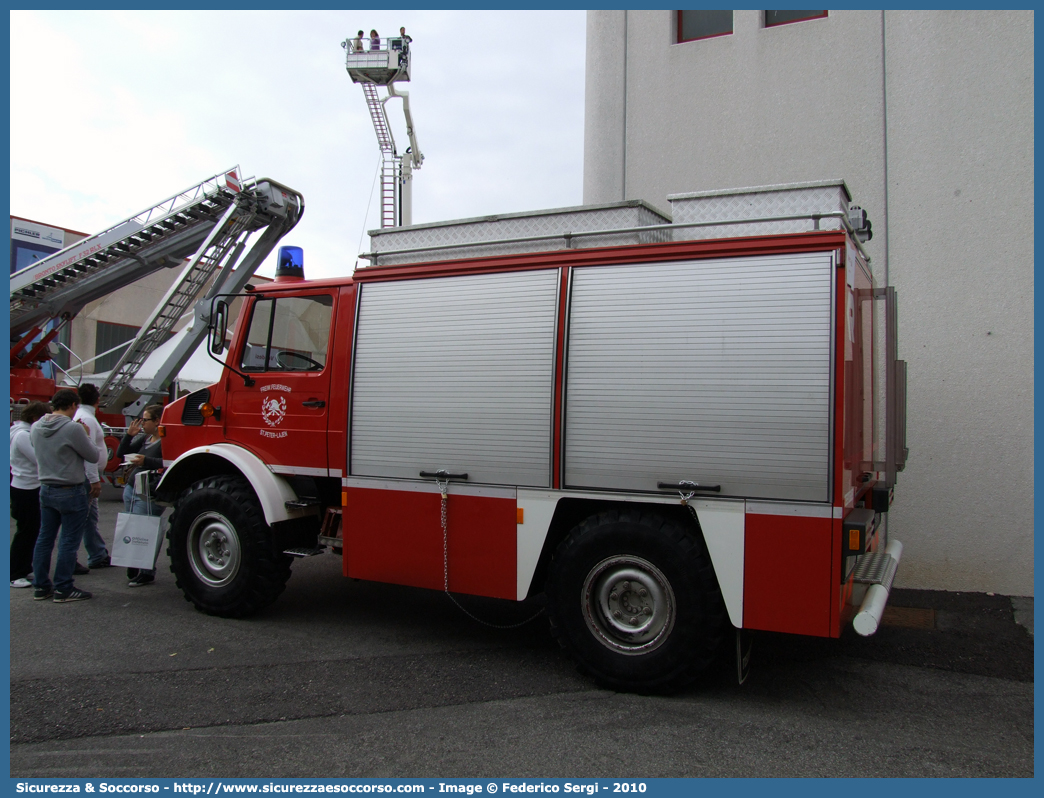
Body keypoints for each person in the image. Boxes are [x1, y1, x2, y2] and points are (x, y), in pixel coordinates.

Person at [31, 389, 99, 603]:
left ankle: (41, 585)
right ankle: (63, 587)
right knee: (69, 541)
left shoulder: (36, 427)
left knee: (44, 538)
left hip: (46, 487)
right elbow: (93, 455)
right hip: (70, 488)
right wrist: (86, 435)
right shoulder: (72, 429)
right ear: (72, 405)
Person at [116, 405, 165, 587]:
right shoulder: (146, 438)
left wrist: (147, 461)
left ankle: (146, 570)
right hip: (132, 487)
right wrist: (129, 435)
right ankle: (135, 564)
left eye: (145, 420)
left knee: (145, 528)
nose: (142, 423)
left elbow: (172, 461)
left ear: (157, 421)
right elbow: (122, 453)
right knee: (132, 526)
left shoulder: (166, 441)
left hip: (148, 489)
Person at [10, 401, 49, 588]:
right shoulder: (23, 436)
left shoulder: (19, 432)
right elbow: (38, 458)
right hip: (26, 488)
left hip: (25, 486)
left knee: (30, 530)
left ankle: (22, 567)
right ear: (35, 418)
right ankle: (14, 572)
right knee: (26, 531)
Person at [74, 383, 112, 570]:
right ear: (98, 400)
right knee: (81, 517)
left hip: (90, 473)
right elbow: (87, 451)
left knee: (89, 518)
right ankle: (76, 558)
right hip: (89, 475)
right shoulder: (86, 419)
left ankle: (97, 554)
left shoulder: (85, 417)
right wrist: (93, 479)